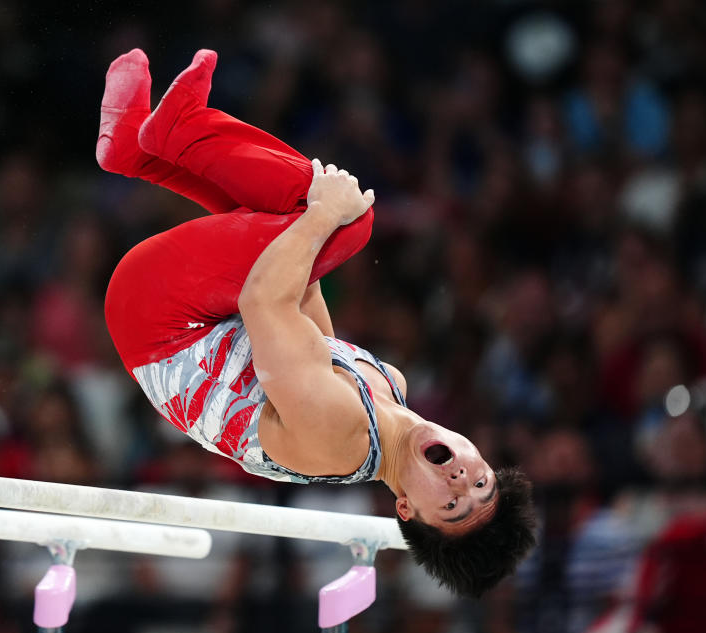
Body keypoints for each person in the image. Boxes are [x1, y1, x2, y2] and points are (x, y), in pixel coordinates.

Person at [97, 48, 536, 597]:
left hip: (160, 320)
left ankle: (179, 133)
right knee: (309, 229)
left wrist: (324, 215)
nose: (458, 480)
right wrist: (311, 224)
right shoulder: (391, 388)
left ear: (406, 509)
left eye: (450, 505)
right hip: (195, 316)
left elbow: (263, 302)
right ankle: (141, 151)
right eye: (480, 482)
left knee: (347, 225)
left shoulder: (340, 438)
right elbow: (302, 308)